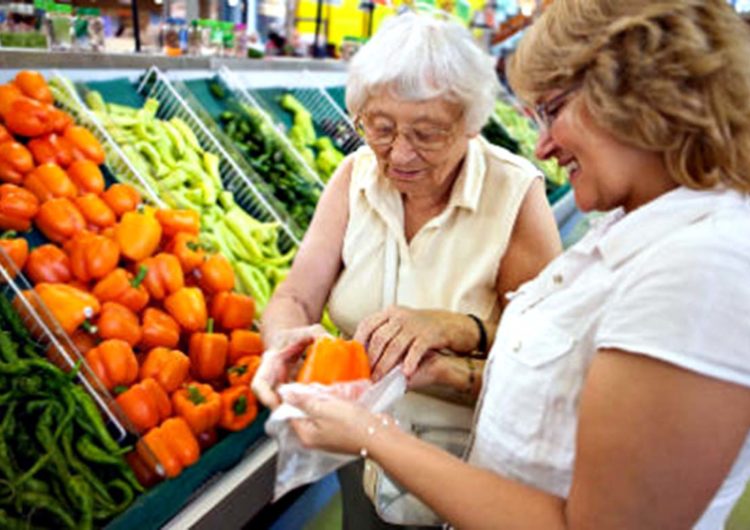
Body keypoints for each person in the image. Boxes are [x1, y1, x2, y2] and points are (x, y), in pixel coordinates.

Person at [282, 1, 750, 529]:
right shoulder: (638, 230)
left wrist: (371, 434)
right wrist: (448, 369)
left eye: (552, 109)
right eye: (381, 127)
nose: (544, 145)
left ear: (637, 97)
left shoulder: (701, 269)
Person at [251, 12, 562, 529]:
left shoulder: (514, 195)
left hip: (471, 474)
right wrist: (282, 342)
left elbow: (545, 367)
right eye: (380, 127)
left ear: (471, 124)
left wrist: (455, 344)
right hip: (359, 462)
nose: (398, 154)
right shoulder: (354, 177)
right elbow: (296, 297)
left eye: (427, 133)